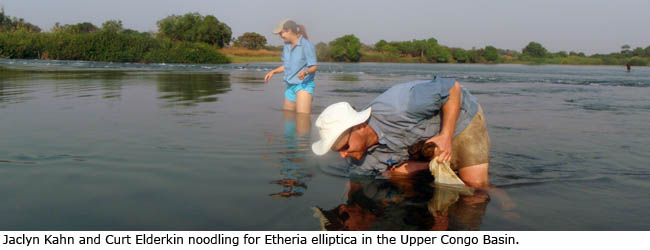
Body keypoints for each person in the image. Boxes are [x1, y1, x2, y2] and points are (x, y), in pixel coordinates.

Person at [311, 77, 491, 189]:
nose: (343, 156)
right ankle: (446, 164)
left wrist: (446, 135)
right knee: (397, 174)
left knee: (474, 187)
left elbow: (452, 88)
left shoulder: (400, 106)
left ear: (359, 127)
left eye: (344, 147)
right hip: (419, 137)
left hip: (460, 115)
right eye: (337, 151)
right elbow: (356, 186)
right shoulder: (360, 162)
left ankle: (503, 199)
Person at [264, 19, 318, 114]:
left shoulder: (306, 45)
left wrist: (305, 72)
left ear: (288, 30)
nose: (280, 36)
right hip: (290, 86)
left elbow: (314, 67)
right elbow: (287, 66)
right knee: (288, 119)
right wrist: (273, 72)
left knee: (302, 119)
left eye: (281, 33)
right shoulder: (287, 46)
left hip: (303, 86)